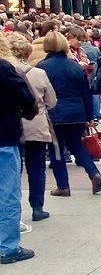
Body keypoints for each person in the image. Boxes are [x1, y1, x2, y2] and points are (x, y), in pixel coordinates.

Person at [36, 31, 101, 196]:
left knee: (56, 150)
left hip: (54, 113)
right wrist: (89, 116)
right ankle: (93, 172)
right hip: (76, 112)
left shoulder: (41, 67)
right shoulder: (75, 66)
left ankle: (63, 185)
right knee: (77, 146)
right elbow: (86, 94)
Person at [2, 34, 55, 222]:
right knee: (36, 167)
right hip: (35, 125)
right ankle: (37, 206)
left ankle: (14, 213)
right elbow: (51, 100)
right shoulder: (38, 73)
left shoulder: (8, 70)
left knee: (13, 172)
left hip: (13, 127)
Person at [0, 47, 38, 265]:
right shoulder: (4, 69)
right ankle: (7, 247)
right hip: (3, 138)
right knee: (7, 194)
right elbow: (26, 99)